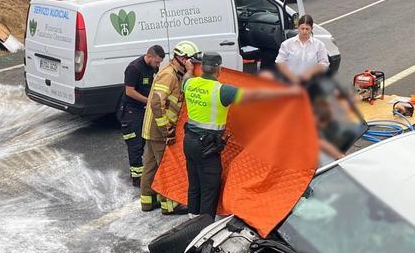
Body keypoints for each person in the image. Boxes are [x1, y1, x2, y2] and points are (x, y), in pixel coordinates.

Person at [183, 52, 301, 216]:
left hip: (188, 142)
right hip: (207, 147)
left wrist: (189, 69)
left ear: (201, 67)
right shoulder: (222, 91)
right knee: (210, 187)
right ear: (218, 69)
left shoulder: (189, 83)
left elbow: (186, 78)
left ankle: (192, 218)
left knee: (194, 183)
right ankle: (203, 226)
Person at [140, 41, 198, 215]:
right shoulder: (169, 75)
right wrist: (166, 130)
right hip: (160, 130)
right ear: (181, 58)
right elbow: (157, 102)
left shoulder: (175, 73)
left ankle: (147, 201)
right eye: (190, 60)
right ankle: (169, 205)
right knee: (166, 167)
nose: (192, 64)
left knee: (150, 165)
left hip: (153, 128)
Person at [119, 45, 165, 186]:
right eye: (157, 62)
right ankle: (137, 178)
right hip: (132, 111)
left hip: (145, 110)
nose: (158, 65)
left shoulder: (153, 67)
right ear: (149, 56)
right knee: (135, 145)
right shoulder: (134, 68)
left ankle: (144, 175)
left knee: (146, 141)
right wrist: (150, 101)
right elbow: (129, 91)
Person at [276, 14, 331, 84]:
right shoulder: (287, 44)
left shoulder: (319, 45)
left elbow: (324, 63)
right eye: (302, 28)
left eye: (307, 29)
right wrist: (292, 77)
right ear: (298, 27)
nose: (304, 31)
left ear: (312, 28)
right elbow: (280, 62)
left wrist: (310, 72)